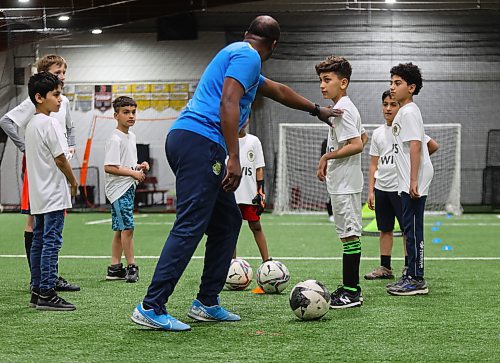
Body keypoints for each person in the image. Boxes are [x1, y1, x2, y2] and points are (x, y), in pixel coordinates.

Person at [131, 15, 340, 332]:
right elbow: (228, 100)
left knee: (227, 220)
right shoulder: (248, 55)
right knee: (190, 224)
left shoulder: (244, 60)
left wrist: (317, 110)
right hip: (200, 142)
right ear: (273, 46)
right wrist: (233, 154)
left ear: (248, 34)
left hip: (194, 142)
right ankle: (151, 306)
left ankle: (206, 302)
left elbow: (279, 90)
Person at [0, 54, 79, 292]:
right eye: (57, 72)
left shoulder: (60, 101)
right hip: (44, 165)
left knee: (44, 226)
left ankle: (45, 278)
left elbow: (69, 125)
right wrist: (26, 147)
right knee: (37, 223)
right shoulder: (38, 104)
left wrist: (70, 144)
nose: (62, 78)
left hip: (57, 164)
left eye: (64, 72)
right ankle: (43, 283)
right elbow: (7, 121)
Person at [364, 90, 439, 280]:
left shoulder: (407, 126)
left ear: (399, 105)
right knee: (385, 228)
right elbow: (374, 164)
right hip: (382, 188)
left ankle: (409, 267)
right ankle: (385, 267)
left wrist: (414, 165)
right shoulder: (378, 133)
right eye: (385, 104)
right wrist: (371, 190)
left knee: (408, 229)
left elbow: (432, 145)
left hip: (401, 187)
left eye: (393, 104)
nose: (388, 108)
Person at [25, 72, 78, 310]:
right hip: (54, 193)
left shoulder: (32, 123)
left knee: (39, 241)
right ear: (39, 97)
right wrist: (74, 182)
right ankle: (47, 292)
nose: (60, 99)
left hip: (38, 192)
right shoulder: (50, 123)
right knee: (51, 242)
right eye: (55, 95)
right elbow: (60, 159)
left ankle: (37, 290)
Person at [315, 56, 364, 309]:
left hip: (345, 184)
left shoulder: (344, 109)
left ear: (343, 82)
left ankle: (352, 292)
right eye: (320, 80)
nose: (322, 85)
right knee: (348, 235)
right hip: (344, 182)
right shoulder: (343, 107)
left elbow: (357, 145)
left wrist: (327, 155)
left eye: (327, 80)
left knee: (350, 236)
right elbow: (363, 137)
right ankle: (350, 287)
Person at [386, 63, 434, 296]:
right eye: (391, 82)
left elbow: (417, 145)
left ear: (411, 88)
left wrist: (414, 180)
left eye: (398, 83)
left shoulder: (410, 111)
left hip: (413, 180)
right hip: (407, 179)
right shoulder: (404, 111)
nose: (392, 87)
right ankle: (410, 272)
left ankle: (417, 279)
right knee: (408, 228)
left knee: (413, 229)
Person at [104, 96, 149, 283]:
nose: (131, 116)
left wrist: (139, 166)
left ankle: (114, 268)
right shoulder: (115, 139)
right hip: (118, 190)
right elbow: (110, 167)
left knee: (120, 229)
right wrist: (132, 174)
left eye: (133, 112)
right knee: (128, 228)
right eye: (125, 112)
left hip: (127, 187)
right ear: (116, 115)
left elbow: (126, 164)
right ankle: (131, 266)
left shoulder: (131, 137)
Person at [232, 119, 270, 294]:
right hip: (230, 194)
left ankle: (267, 261)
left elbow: (258, 168)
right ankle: (232, 265)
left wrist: (260, 191)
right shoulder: (226, 140)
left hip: (249, 195)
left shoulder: (254, 141)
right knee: (230, 229)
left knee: (256, 226)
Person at [321, 138, 334, 223]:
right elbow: (323, 157)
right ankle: (331, 213)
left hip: (343, 171)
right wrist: (323, 168)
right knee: (331, 193)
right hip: (330, 172)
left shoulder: (345, 140)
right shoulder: (326, 142)